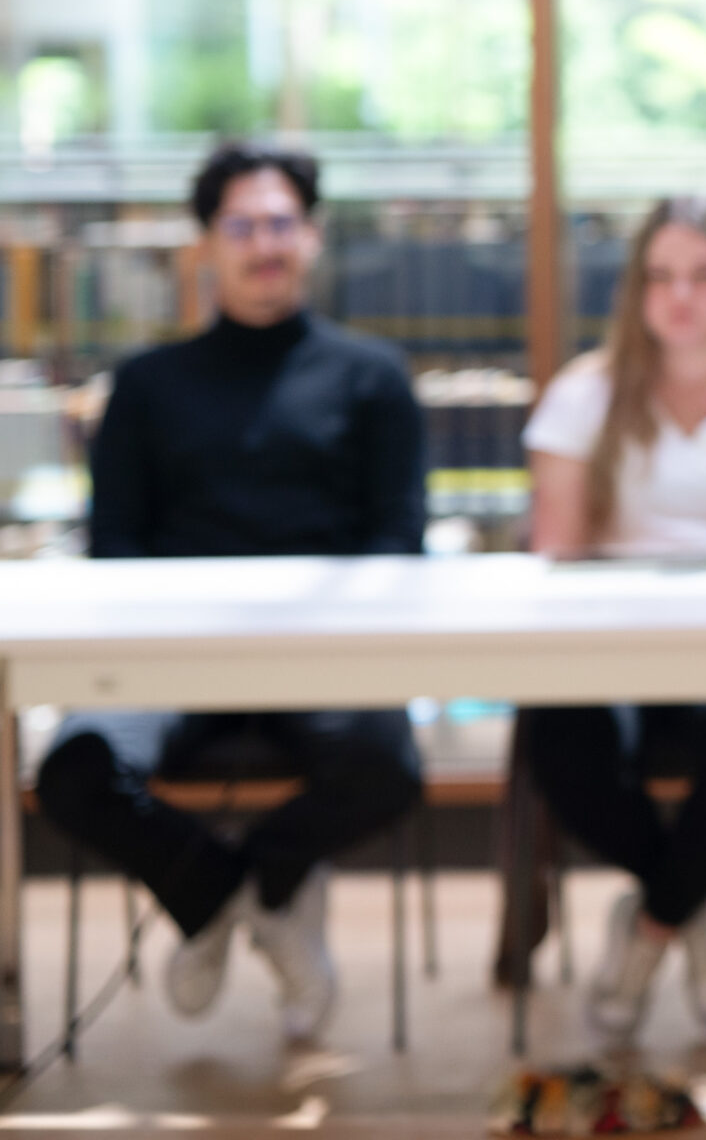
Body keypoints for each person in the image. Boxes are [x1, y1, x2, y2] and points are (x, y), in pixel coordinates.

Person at [36, 140, 426, 1043]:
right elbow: (116, 545)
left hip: (322, 652)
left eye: (282, 224)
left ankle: (261, 880)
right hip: (167, 653)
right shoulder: (143, 385)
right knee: (73, 770)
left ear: (314, 238)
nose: (264, 246)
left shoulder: (373, 377)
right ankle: (223, 891)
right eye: (242, 227)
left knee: (388, 765)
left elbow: (396, 538)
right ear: (205, 245)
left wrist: (340, 629)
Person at [519, 197, 706, 1047]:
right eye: (659, 277)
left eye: (699, 276)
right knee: (559, 746)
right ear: (634, 291)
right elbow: (558, 556)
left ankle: (652, 927)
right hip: (615, 649)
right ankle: (690, 898)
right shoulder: (585, 394)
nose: (679, 297)